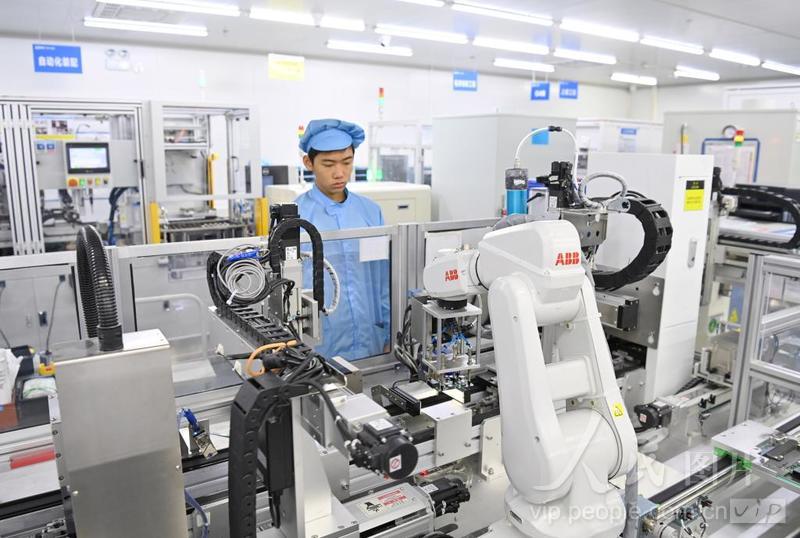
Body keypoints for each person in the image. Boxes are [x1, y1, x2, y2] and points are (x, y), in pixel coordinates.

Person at [295, 119, 389, 360]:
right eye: (328, 164)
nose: (339, 173)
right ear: (308, 163)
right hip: (318, 346)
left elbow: (383, 277)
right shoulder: (295, 217)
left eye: (347, 162)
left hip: (371, 341)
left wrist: (390, 330)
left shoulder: (370, 211)